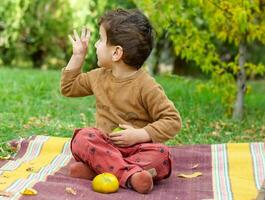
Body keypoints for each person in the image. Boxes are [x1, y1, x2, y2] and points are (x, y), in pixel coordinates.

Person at [60, 8, 182, 194]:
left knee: (162, 157)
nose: (95, 45)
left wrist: (141, 134)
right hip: (103, 146)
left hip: (138, 150)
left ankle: (100, 170)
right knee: (82, 137)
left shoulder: (147, 86)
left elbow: (173, 120)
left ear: (117, 53)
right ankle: (130, 176)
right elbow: (68, 88)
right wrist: (78, 57)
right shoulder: (97, 77)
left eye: (100, 40)